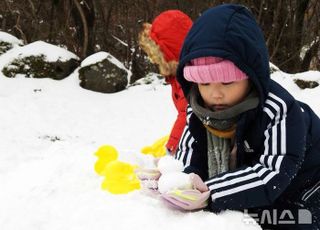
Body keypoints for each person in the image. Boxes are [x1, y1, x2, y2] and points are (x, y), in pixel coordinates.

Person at [160, 4, 320, 230]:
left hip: (308, 187)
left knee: (289, 223)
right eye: (204, 83)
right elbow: (189, 153)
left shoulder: (279, 110)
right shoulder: (198, 110)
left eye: (227, 82)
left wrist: (210, 190)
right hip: (258, 191)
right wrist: (181, 181)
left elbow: (271, 173)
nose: (215, 93)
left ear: (251, 76)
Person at [138, 10, 192, 155]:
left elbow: (187, 115)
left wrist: (172, 147)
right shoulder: (179, 74)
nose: (152, 60)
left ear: (171, 52)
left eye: (157, 54)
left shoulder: (188, 77)